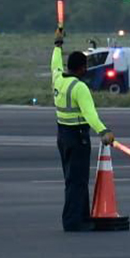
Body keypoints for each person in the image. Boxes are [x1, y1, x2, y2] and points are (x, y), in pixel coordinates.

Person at [52, 25, 115, 232]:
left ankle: (82, 216)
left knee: (72, 179)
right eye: (85, 66)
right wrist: (104, 131)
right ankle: (73, 221)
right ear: (80, 68)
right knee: (77, 181)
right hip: (78, 137)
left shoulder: (59, 79)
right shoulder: (80, 88)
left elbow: (54, 64)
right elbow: (90, 115)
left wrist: (58, 44)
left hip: (63, 135)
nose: (86, 69)